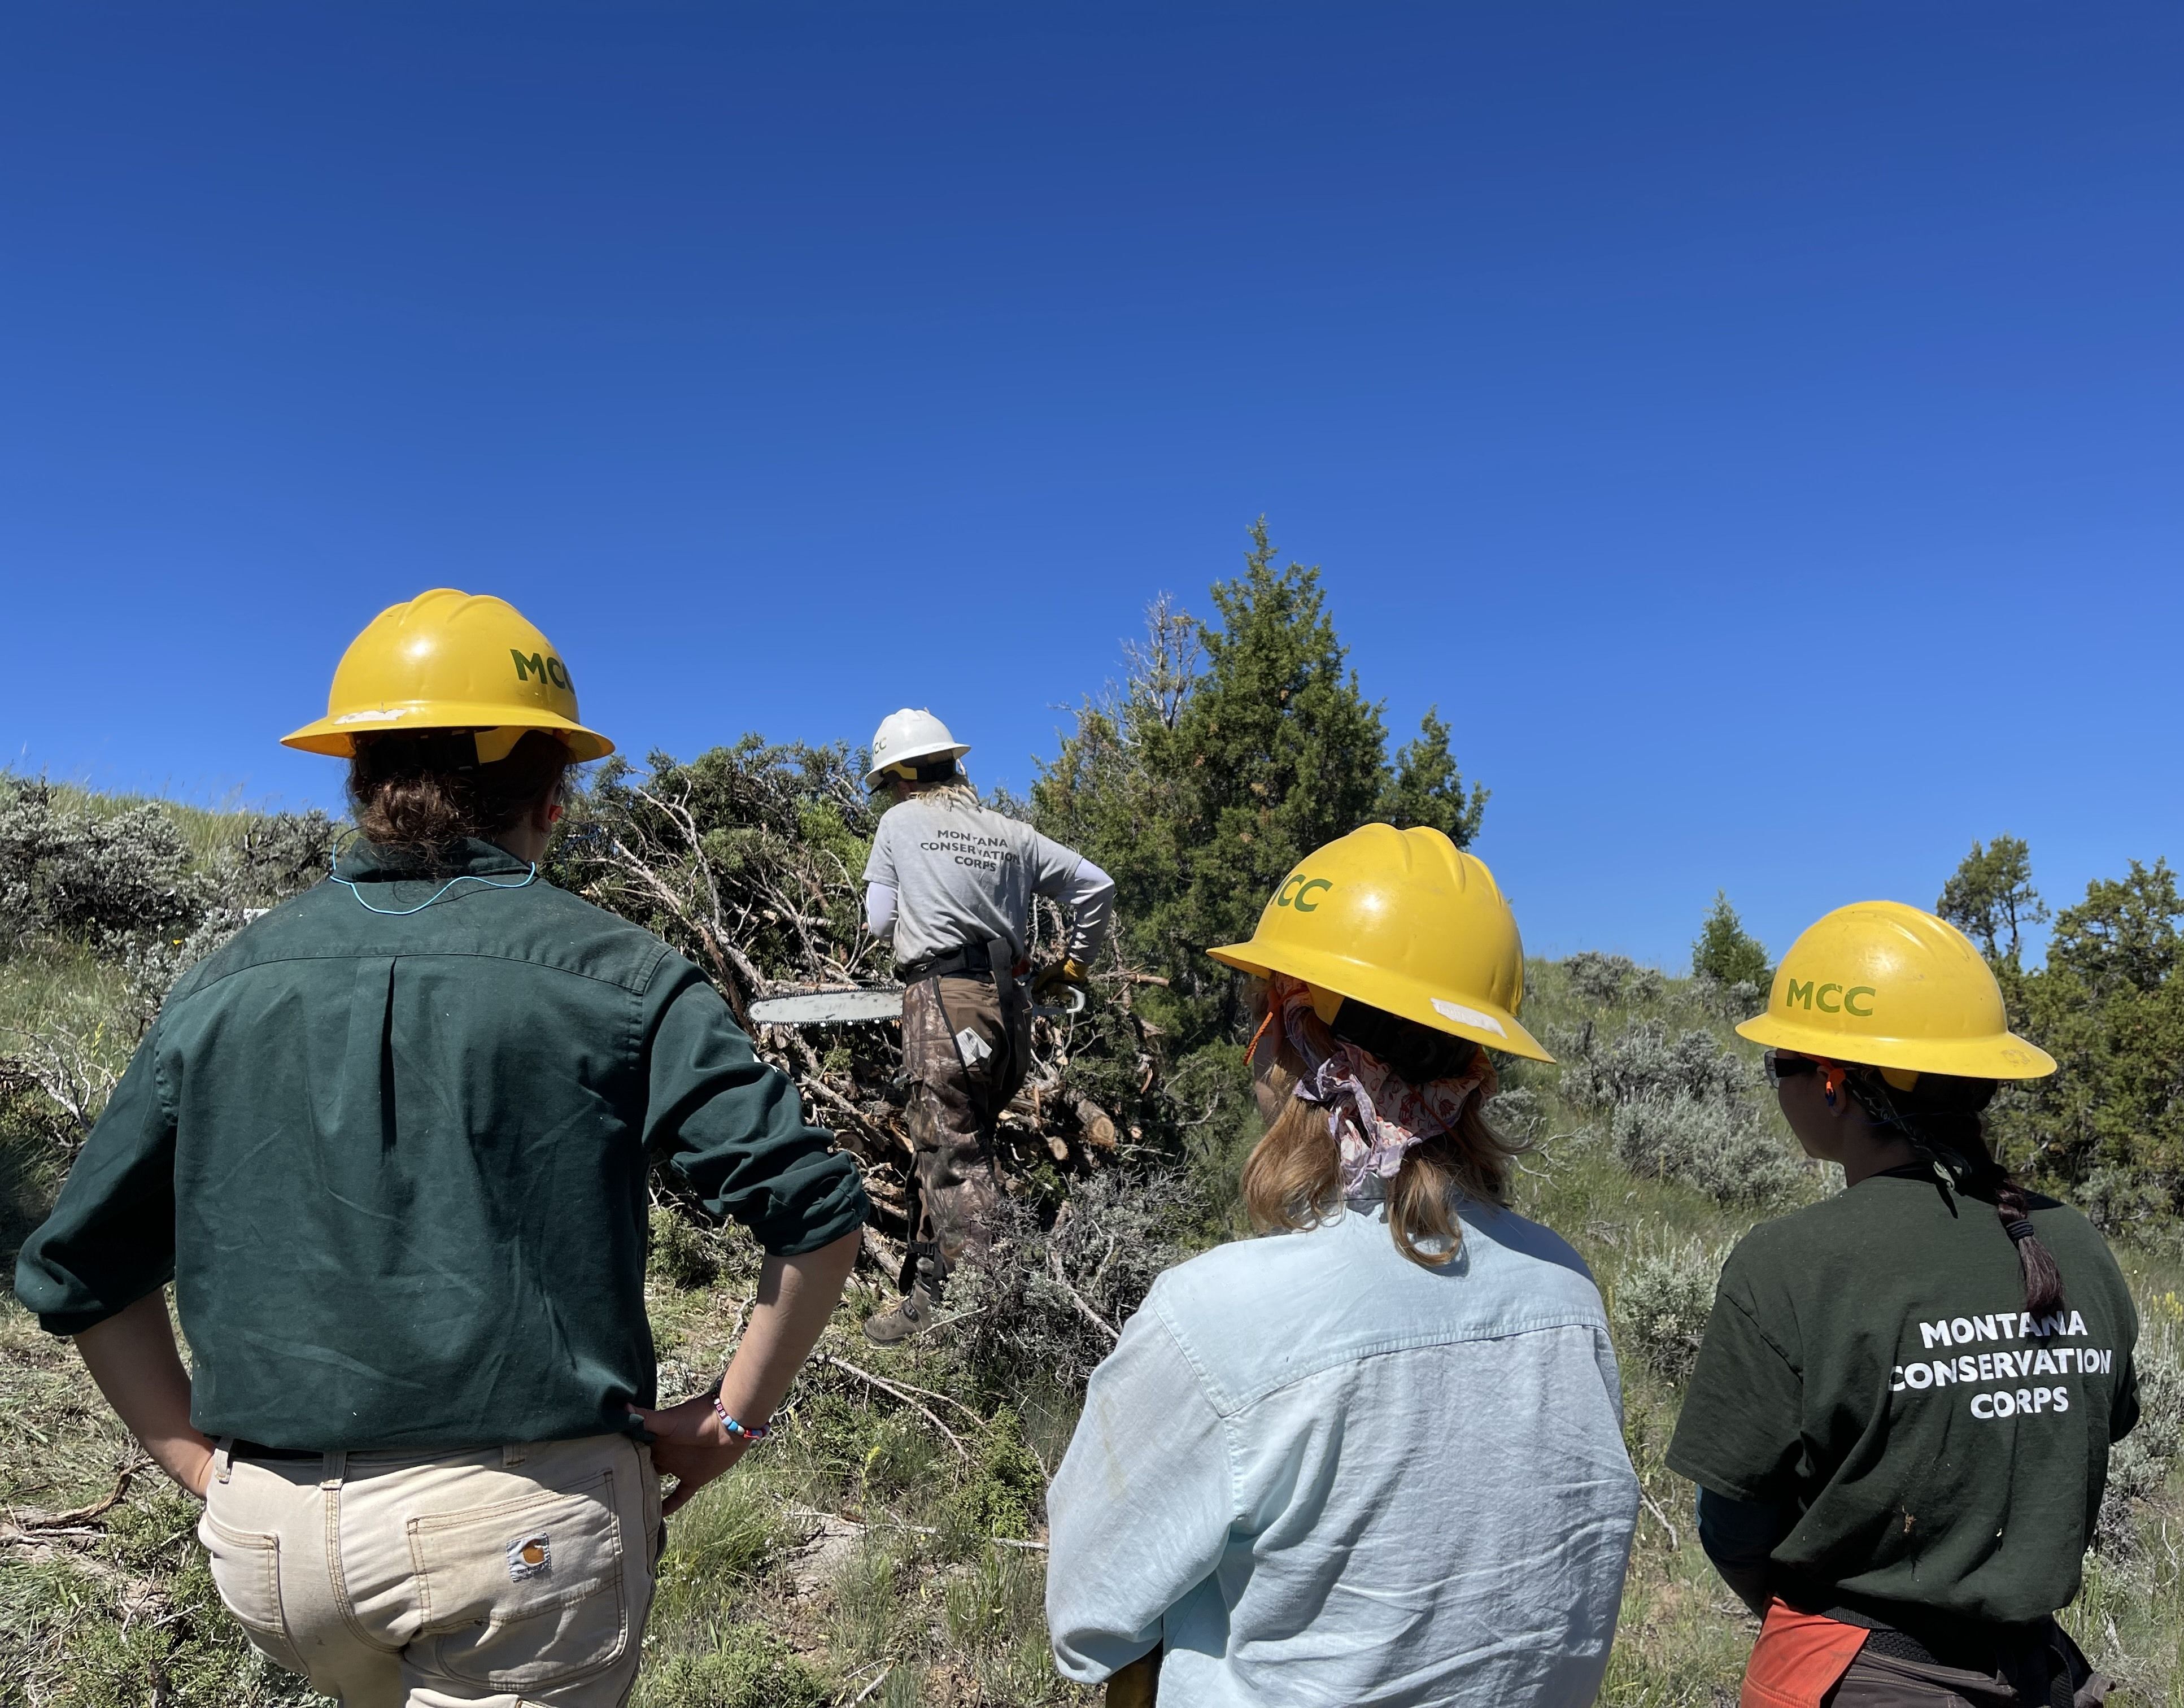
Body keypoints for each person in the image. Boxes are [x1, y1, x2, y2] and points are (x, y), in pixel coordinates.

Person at [14, 589, 867, 1708]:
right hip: (516, 1538)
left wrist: (205, 1474)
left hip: (274, 1552)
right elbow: (816, 1211)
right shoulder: (620, 976)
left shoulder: (224, 983)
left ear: (360, 776)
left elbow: (80, 1272)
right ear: (553, 791)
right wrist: (731, 1421)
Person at [1045, 823, 1640, 1707]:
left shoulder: (1218, 1318)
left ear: (1299, 1041)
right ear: (1478, 1066)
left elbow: (1093, 1617)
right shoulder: (1568, 1291)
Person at [1667, 900, 2139, 1708]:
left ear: (1834, 1083)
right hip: (2040, 1673)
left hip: (1865, 1675)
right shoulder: (2076, 1243)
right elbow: (2094, 1430)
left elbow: (1733, 1527)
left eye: (1779, 1060)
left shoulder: (1789, 1262)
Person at [857, 707, 1114, 1345]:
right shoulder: (1010, 832)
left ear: (908, 775)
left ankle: (988, 1331)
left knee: (954, 1160)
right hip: (1010, 1011)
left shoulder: (899, 823)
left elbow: (880, 922)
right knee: (950, 1148)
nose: (891, 793)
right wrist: (1073, 965)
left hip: (943, 1001)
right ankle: (925, 1298)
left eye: (892, 781)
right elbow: (1096, 887)